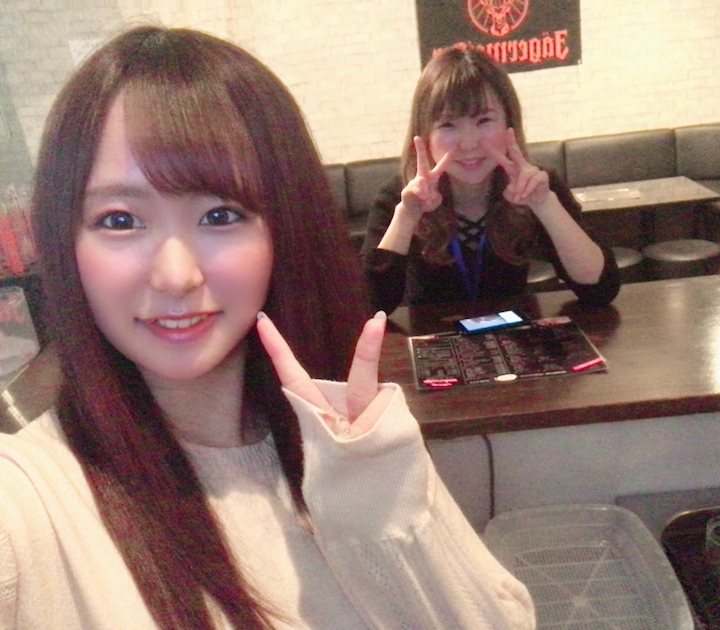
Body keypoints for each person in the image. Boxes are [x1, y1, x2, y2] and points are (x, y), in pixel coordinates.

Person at [0, 26, 535, 630]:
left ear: (284, 229)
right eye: (120, 220)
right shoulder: (27, 499)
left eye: (219, 214)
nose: (176, 276)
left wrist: (380, 507)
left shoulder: (348, 437)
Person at [361, 46, 621, 314]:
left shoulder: (536, 186)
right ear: (424, 133)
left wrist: (544, 204)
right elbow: (371, 306)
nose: (469, 143)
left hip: (516, 333)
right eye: (448, 125)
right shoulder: (399, 196)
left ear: (509, 123)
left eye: (484, 120)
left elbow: (600, 289)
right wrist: (407, 217)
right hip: (434, 335)